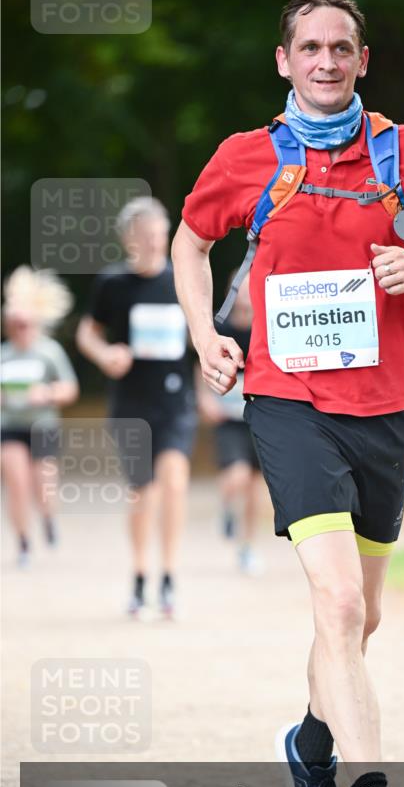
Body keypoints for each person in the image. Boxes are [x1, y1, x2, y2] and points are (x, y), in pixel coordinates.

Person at [172, 0, 404, 787]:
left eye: (339, 48)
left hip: (390, 408)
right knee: (340, 607)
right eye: (307, 47)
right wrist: (205, 335)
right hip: (288, 402)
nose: (323, 61)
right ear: (283, 61)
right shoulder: (248, 157)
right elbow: (189, 243)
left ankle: (309, 749)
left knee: (365, 616)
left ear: (361, 60)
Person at [76, 197, 197, 620]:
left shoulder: (182, 279)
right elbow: (87, 333)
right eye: (145, 236)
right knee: (142, 492)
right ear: (128, 238)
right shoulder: (112, 284)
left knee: (175, 481)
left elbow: (201, 334)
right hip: (130, 403)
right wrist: (106, 353)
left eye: (160, 236)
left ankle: (168, 577)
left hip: (175, 400)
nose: (154, 244)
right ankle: (140, 575)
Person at [1, 266, 79, 566]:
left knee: (43, 485)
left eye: (25, 324)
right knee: (16, 482)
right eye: (15, 324)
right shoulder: (4, 354)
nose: (21, 329)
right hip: (9, 426)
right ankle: (22, 541)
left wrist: (45, 394)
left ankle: (48, 517)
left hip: (42, 426)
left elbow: (70, 389)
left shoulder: (49, 352)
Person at [196, 272, 264, 576]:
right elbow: (200, 366)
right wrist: (205, 400)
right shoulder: (219, 328)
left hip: (259, 417)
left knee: (254, 487)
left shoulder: (267, 327)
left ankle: (247, 546)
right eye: (243, 292)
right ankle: (225, 508)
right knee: (235, 475)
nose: (247, 298)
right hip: (228, 417)